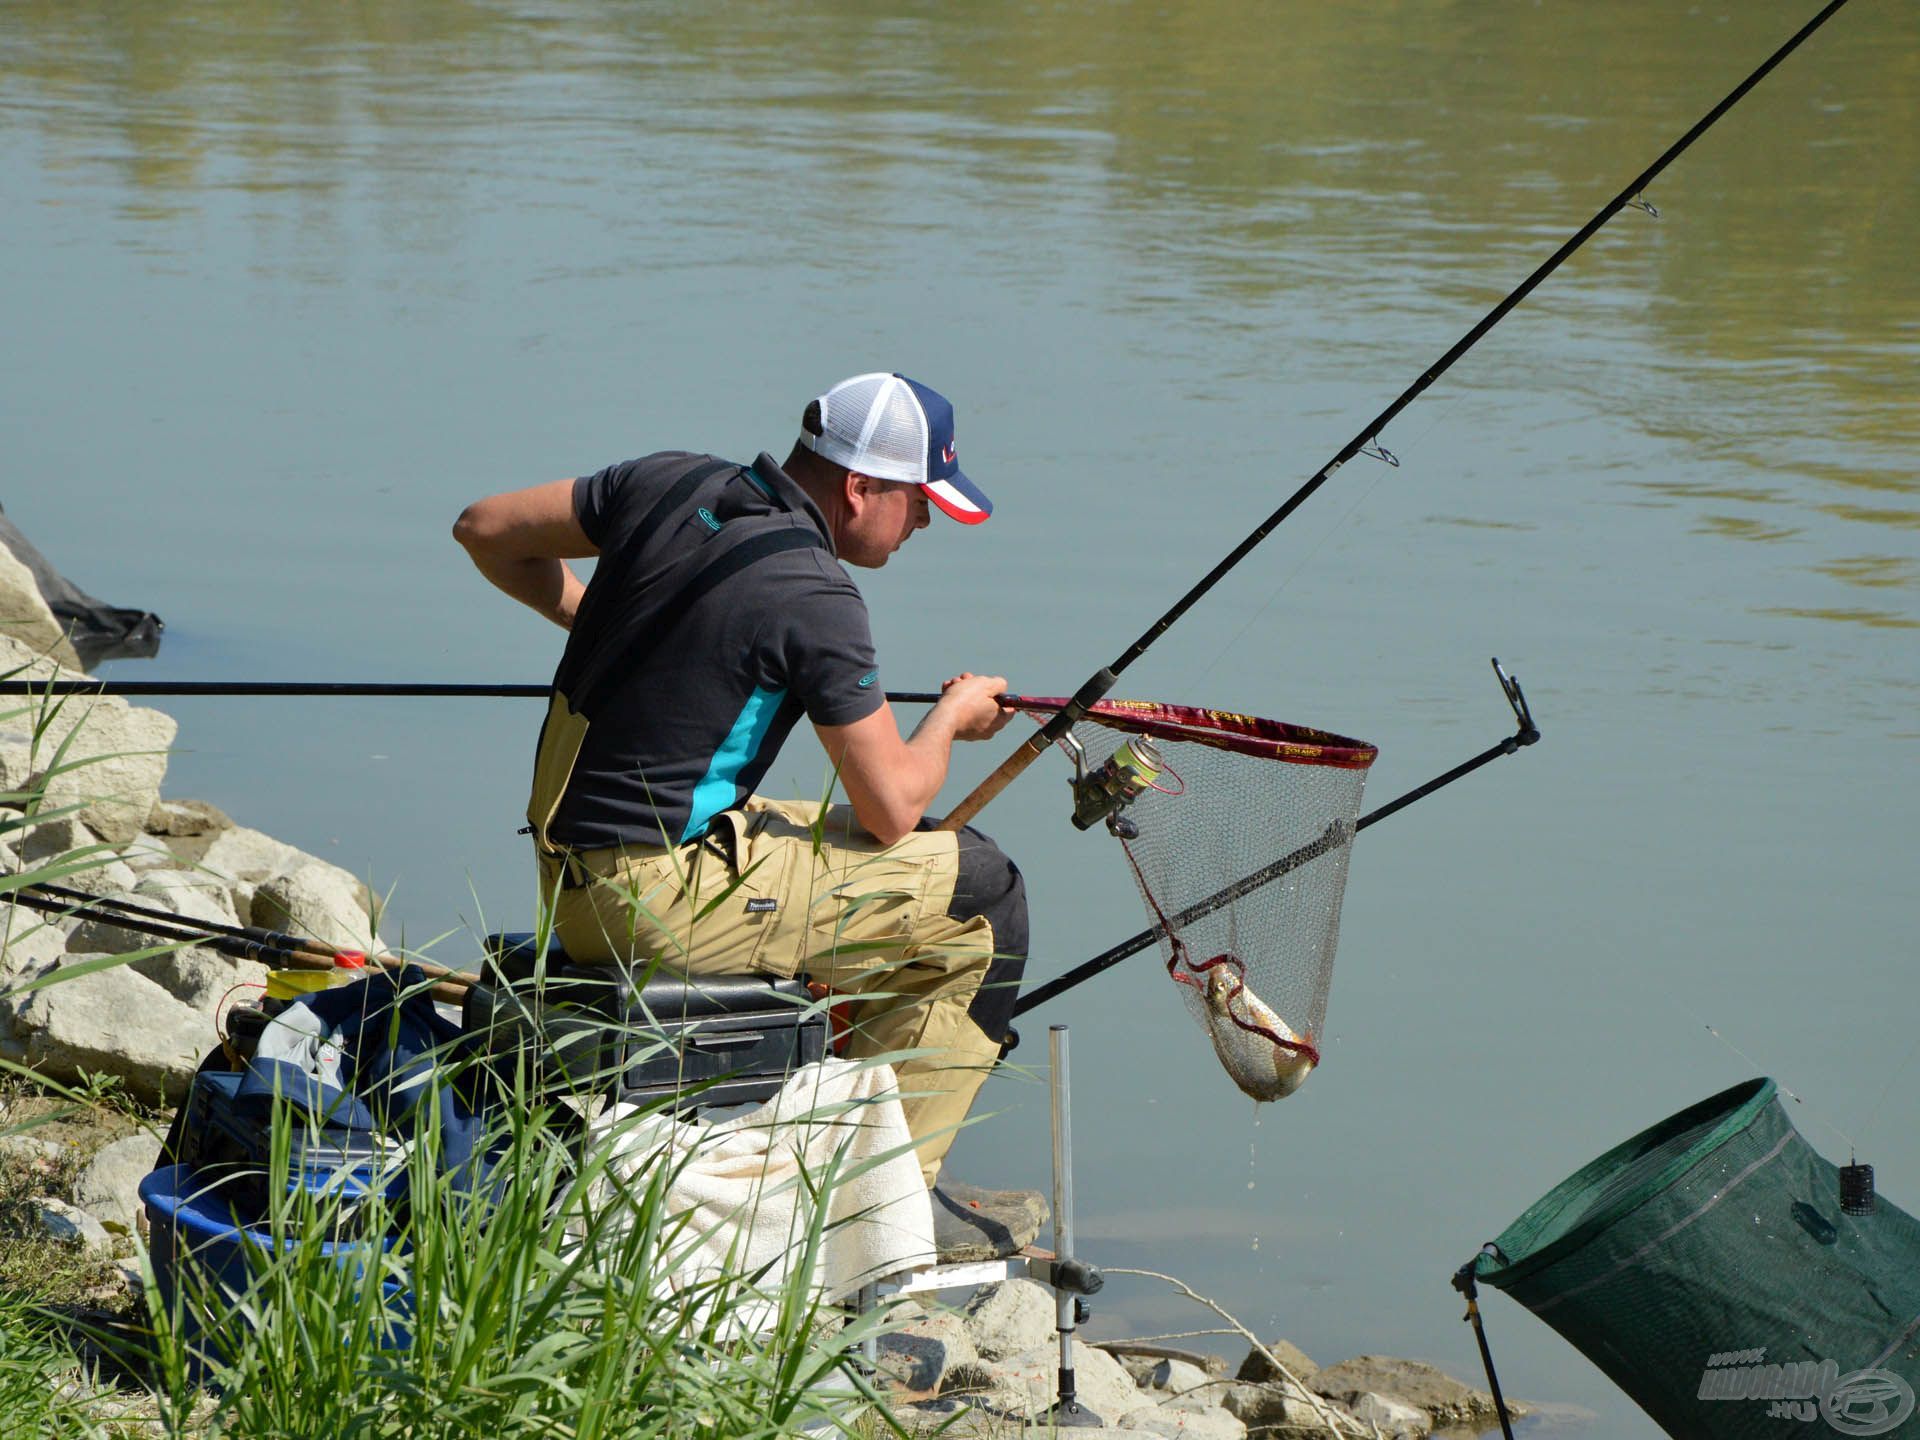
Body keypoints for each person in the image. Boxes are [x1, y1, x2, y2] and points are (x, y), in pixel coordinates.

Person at [454, 372, 1030, 1196]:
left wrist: (612, 619)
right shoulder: (816, 593)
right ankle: (881, 1204)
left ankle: (805, 1127)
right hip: (650, 905)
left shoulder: (665, 480)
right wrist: (953, 718)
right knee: (981, 895)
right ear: (861, 489)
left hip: (570, 876)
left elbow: (483, 530)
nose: (926, 520)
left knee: (903, 853)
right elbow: (893, 805)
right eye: (918, 499)